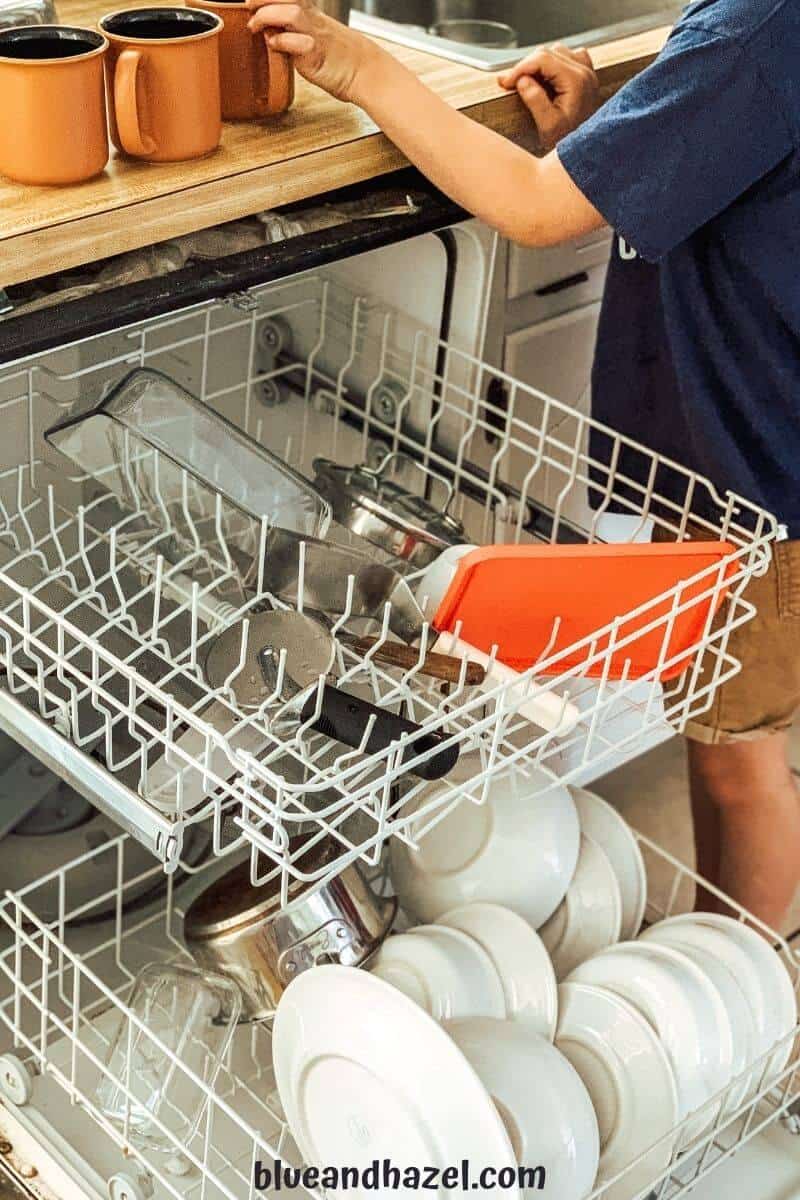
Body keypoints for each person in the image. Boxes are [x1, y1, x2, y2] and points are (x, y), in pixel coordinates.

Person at [245, 0, 800, 931]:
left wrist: (361, 69)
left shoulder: (758, 33)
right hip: (765, 463)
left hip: (757, 501)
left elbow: (537, 212)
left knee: (738, 757)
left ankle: (745, 995)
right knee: (736, 736)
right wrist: (606, 145)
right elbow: (743, 184)